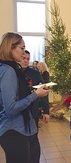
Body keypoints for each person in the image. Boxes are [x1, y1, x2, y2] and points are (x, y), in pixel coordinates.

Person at [0, 32, 49, 163]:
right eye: (21, 48)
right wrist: (35, 95)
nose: (23, 53)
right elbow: (11, 108)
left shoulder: (12, 68)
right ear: (11, 47)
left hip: (17, 129)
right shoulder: (8, 71)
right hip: (12, 130)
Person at [18, 50, 50, 163]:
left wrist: (46, 111)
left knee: (33, 140)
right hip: (18, 113)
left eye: (28, 58)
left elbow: (44, 93)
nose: (26, 61)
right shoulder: (13, 73)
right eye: (23, 58)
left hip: (33, 112)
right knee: (21, 142)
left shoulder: (35, 74)